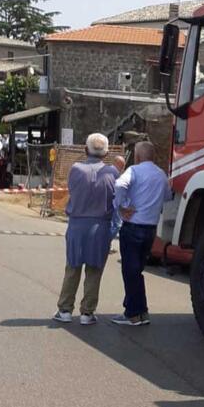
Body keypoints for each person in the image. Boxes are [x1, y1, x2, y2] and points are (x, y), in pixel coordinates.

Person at [53, 133, 119, 326]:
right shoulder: (112, 173)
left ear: (85, 149)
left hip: (77, 223)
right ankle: (87, 312)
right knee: (94, 269)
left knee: (73, 267)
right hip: (100, 225)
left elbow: (72, 190)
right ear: (106, 152)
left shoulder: (76, 169)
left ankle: (65, 309)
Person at [111, 141, 173, 326]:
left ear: (137, 157)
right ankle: (141, 310)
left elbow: (119, 185)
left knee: (130, 272)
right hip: (150, 230)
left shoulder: (134, 171)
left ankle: (132, 314)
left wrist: (121, 207)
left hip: (133, 226)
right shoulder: (161, 174)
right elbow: (168, 196)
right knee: (137, 271)